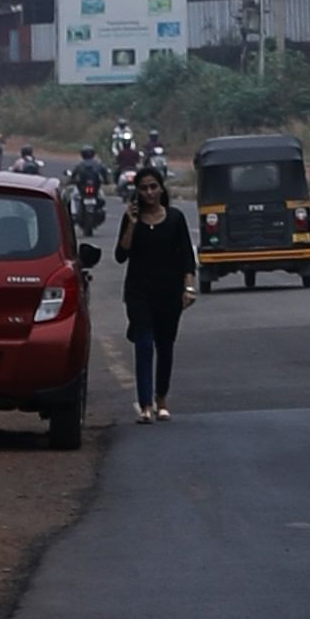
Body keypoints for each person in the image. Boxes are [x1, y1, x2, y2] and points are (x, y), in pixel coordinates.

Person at [113, 161, 194, 423]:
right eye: (143, 188)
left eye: (153, 187)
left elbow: (187, 257)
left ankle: (162, 399)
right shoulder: (131, 219)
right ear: (137, 192)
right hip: (139, 293)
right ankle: (145, 404)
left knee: (165, 347)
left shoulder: (175, 219)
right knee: (144, 345)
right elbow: (121, 255)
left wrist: (188, 288)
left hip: (169, 294)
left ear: (161, 189)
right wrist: (132, 223)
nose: (149, 193)